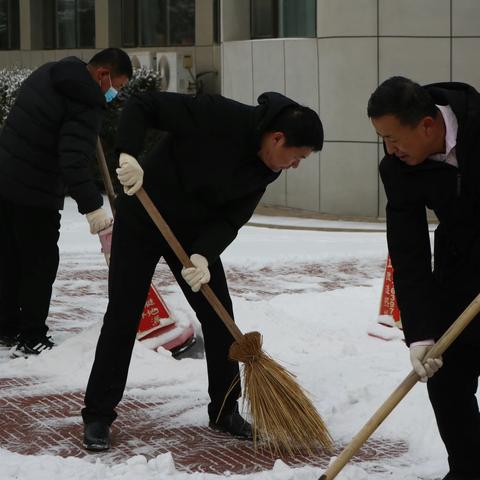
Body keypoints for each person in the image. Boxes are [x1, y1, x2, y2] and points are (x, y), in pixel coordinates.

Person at [81, 91, 324, 451]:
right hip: (145, 215)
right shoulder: (218, 114)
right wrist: (128, 152)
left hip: (194, 233)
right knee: (123, 314)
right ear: (278, 138)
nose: (296, 165)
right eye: (298, 156)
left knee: (219, 315)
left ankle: (225, 410)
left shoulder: (267, 167)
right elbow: (143, 105)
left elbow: (232, 217)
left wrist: (203, 256)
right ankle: (98, 415)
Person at [368, 76, 480, 480]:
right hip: (458, 271)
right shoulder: (398, 169)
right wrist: (420, 333)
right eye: (382, 139)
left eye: (394, 138)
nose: (390, 150)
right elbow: (409, 252)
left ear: (428, 126)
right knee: (447, 382)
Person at [0, 48, 132, 357]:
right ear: (103, 75)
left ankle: (6, 327)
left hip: (4, 180)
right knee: (39, 264)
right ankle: (32, 335)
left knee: (9, 259)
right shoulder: (86, 103)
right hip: (35, 193)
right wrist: (93, 208)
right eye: (118, 86)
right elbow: (73, 162)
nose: (116, 93)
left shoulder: (49, 72)